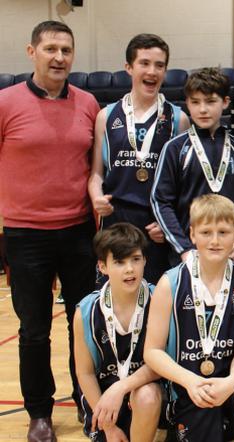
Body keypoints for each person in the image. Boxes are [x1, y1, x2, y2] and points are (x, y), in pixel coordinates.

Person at [0, 20, 100, 440]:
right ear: (31, 52)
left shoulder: (89, 103)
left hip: (78, 232)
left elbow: (96, 165)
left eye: (66, 50)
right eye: (51, 49)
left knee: (83, 324)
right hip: (25, 235)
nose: (59, 57)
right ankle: (39, 413)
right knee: (34, 328)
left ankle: (86, 400)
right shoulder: (5, 103)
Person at [144, 194, 234, 441]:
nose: (214, 241)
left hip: (232, 378)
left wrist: (232, 382)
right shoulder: (169, 283)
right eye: (206, 232)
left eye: (223, 232)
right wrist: (190, 381)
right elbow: (152, 351)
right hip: (187, 382)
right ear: (192, 234)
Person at [89, 33, 190, 283]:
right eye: (144, 63)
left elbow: (184, 184)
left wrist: (169, 223)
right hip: (116, 219)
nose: (152, 71)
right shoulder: (106, 116)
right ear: (129, 67)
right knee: (114, 298)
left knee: (157, 300)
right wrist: (96, 198)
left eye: (159, 65)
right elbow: (96, 174)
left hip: (156, 224)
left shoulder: (179, 120)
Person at [151, 68, 234, 265]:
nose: (203, 109)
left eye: (210, 101)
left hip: (233, 254)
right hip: (189, 256)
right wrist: (183, 248)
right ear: (187, 103)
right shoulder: (175, 149)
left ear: (225, 102)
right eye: (195, 102)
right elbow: (160, 201)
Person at [74, 223, 161, 441]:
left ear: (145, 261)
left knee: (148, 395)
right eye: (120, 262)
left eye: (135, 259)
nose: (130, 269)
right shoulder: (85, 311)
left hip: (145, 391)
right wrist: (108, 427)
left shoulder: (159, 299)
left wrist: (121, 388)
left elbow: (161, 365)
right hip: (104, 398)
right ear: (102, 266)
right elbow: (84, 373)